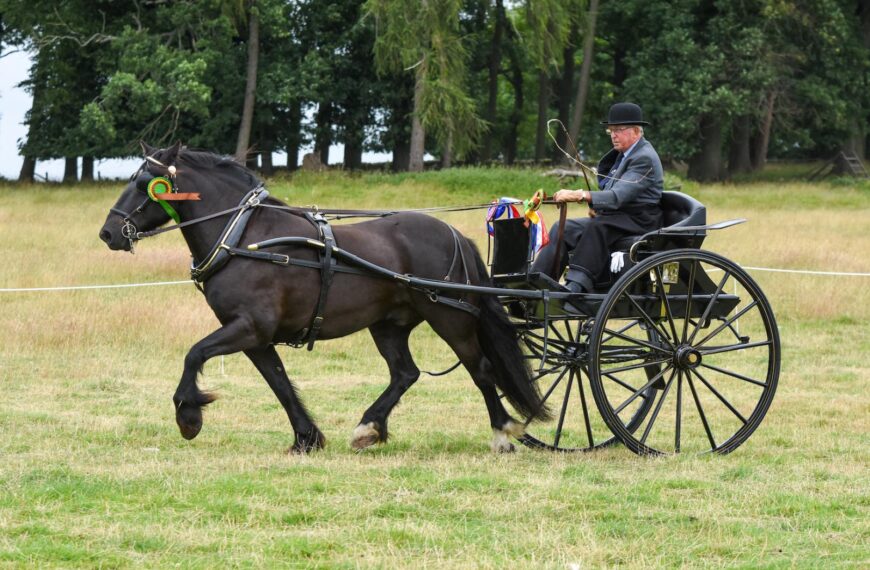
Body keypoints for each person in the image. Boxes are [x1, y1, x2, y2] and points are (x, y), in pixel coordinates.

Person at [532, 102, 664, 301]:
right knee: (563, 228)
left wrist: (581, 195)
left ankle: (577, 285)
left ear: (636, 131)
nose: (613, 135)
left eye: (619, 130)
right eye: (610, 130)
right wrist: (597, 206)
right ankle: (538, 281)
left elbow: (618, 195)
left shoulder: (643, 158)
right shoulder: (623, 155)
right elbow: (612, 194)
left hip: (640, 219)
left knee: (597, 227)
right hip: (619, 216)